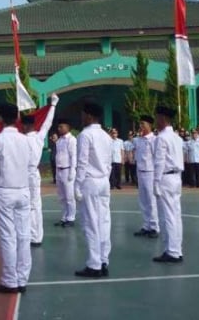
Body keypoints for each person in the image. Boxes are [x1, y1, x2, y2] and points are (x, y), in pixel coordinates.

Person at [0, 103, 36, 293]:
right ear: (16, 118)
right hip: (23, 190)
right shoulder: (26, 140)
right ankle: (22, 279)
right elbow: (31, 168)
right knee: (23, 236)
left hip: (5, 191)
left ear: (0, 118)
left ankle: (10, 280)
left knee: (8, 237)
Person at [73, 103, 113, 278]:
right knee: (104, 221)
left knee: (91, 223)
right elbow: (109, 162)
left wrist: (77, 185)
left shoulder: (85, 135)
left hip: (90, 181)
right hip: (104, 180)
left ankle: (94, 264)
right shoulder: (106, 136)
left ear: (89, 115)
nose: (81, 117)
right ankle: (104, 260)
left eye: (83, 114)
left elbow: (82, 163)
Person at [22, 94, 58, 248]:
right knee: (35, 204)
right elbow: (48, 123)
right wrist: (54, 105)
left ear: (23, 126)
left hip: (22, 175)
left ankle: (30, 234)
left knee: (26, 205)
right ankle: (36, 235)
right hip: (34, 173)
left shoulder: (20, 139)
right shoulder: (38, 137)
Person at [152, 106, 185, 263]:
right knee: (176, 215)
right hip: (176, 177)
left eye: (157, 118)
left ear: (163, 119)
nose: (155, 121)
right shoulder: (177, 137)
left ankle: (171, 251)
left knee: (167, 216)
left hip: (165, 178)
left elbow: (159, 161)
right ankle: (177, 249)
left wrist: (156, 182)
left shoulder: (161, 138)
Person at [133, 115, 159, 238]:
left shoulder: (154, 140)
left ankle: (154, 227)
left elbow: (156, 158)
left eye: (143, 124)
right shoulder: (138, 140)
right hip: (140, 171)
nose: (141, 126)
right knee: (143, 200)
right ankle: (146, 225)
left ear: (150, 125)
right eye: (140, 124)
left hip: (150, 172)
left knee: (151, 200)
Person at [54, 118, 77, 227]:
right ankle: (64, 217)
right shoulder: (59, 141)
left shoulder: (71, 140)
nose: (59, 128)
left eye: (61, 126)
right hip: (59, 170)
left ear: (68, 127)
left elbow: (73, 156)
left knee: (69, 196)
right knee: (61, 196)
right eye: (59, 127)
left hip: (67, 170)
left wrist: (72, 171)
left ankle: (71, 218)